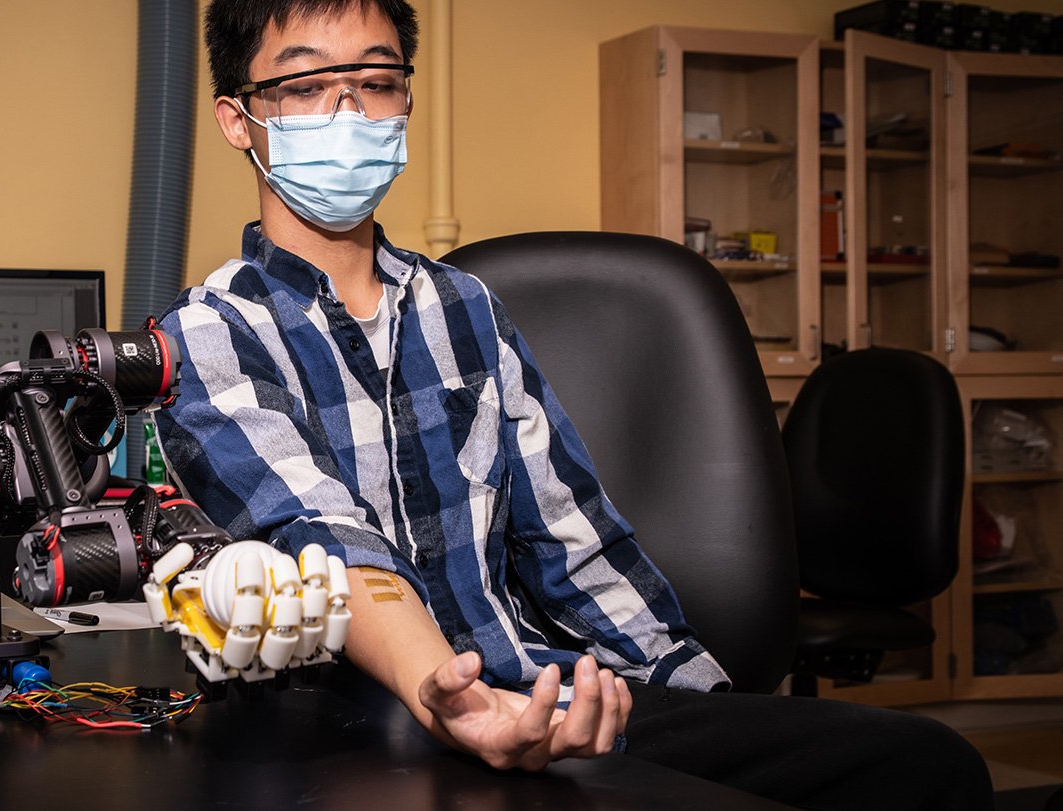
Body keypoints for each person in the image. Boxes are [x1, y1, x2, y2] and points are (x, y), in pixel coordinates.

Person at [152, 1, 994, 808]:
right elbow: (330, 542)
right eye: (303, 86)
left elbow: (572, 538)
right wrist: (447, 697)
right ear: (238, 118)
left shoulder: (466, 307)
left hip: (549, 705)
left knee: (928, 767)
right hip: (355, 742)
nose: (347, 112)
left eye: (374, 81)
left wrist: (704, 700)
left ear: (404, 101)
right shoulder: (206, 334)